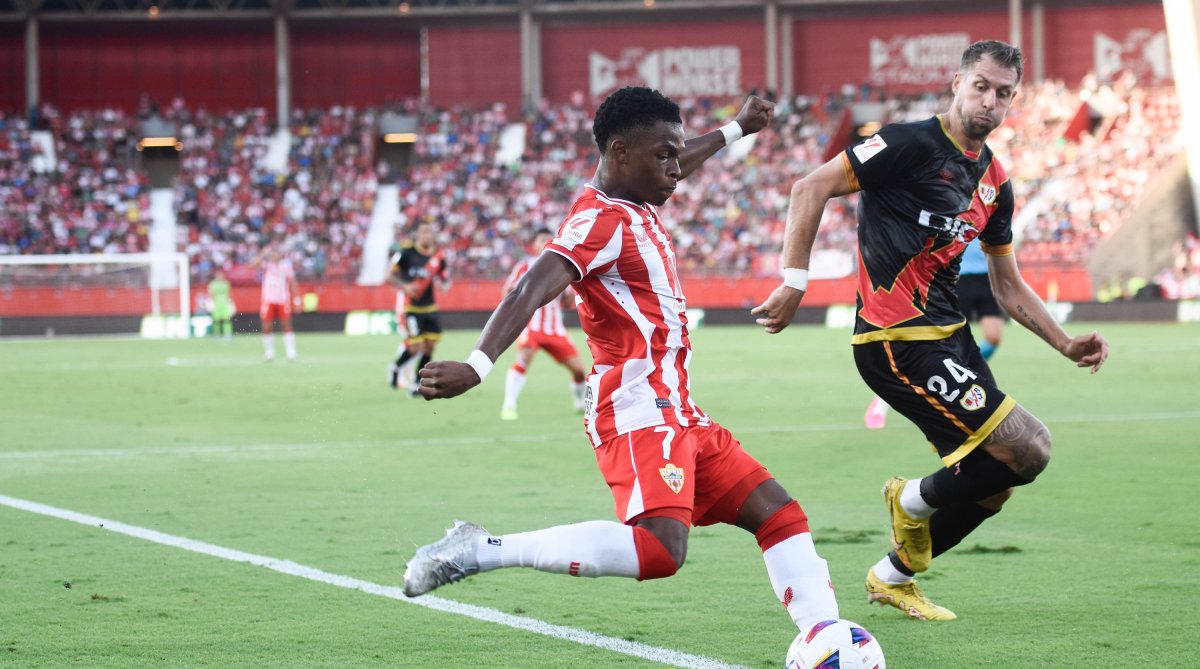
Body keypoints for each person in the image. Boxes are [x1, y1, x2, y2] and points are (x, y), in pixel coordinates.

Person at [404, 87, 842, 634]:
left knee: (779, 514)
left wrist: (735, 130)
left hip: (679, 408)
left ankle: (826, 643)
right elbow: (528, 290)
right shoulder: (600, 221)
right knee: (660, 551)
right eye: (663, 155)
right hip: (637, 407)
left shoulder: (636, 200)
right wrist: (477, 365)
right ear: (619, 154)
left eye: (675, 153)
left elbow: (680, 157)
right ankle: (480, 549)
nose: (676, 168)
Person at [752, 40, 1109, 621]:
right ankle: (910, 498)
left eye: (1003, 93)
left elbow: (1008, 286)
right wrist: (795, 281)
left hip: (952, 339)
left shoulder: (995, 182)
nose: (989, 101)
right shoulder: (905, 143)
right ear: (957, 83)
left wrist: (1065, 342)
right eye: (981, 86)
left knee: (995, 482)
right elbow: (808, 187)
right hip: (894, 340)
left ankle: (892, 576)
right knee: (1030, 446)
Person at [864, 237, 1005, 428]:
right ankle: (882, 401)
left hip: (986, 277)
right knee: (945, 342)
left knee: (994, 337)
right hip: (958, 276)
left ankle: (965, 374)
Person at [499, 228, 588, 421]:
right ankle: (509, 404)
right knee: (524, 359)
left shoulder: (562, 268)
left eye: (550, 239)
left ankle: (580, 402)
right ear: (534, 245)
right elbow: (507, 291)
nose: (546, 242)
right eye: (542, 239)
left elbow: (565, 302)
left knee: (580, 371)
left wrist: (571, 294)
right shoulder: (525, 265)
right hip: (532, 326)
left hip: (556, 329)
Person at [388, 221, 450, 397]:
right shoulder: (406, 252)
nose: (427, 236)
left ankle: (416, 383)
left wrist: (444, 285)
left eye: (429, 233)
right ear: (417, 235)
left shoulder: (438, 256)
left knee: (430, 347)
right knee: (416, 347)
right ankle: (395, 367)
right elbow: (390, 275)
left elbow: (444, 277)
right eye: (423, 233)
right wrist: (405, 286)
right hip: (411, 307)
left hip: (430, 307)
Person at [257, 247, 300, 361]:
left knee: (286, 325)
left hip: (282, 299)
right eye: (273, 255)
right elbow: (251, 265)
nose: (274, 256)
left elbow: (293, 282)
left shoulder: (286, 266)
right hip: (268, 300)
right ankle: (269, 353)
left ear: (280, 256)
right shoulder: (266, 265)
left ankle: (291, 353)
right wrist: (262, 253)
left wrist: (297, 299)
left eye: (277, 254)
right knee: (267, 326)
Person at [207, 268, 235, 343]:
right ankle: (217, 335)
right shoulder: (212, 284)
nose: (220, 276)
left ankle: (228, 335)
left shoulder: (226, 284)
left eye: (221, 275)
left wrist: (231, 303)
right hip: (216, 305)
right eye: (218, 275)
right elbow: (210, 295)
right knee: (216, 321)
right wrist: (210, 303)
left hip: (225, 305)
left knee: (227, 320)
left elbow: (229, 294)